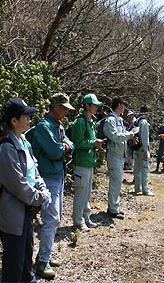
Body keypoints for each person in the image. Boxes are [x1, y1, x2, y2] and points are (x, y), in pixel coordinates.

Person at [0, 98, 51, 283]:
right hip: (12, 213)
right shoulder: (6, 148)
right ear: (14, 121)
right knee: (14, 265)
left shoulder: (24, 142)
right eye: (25, 116)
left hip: (26, 211)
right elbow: (18, 185)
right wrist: (40, 198)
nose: (29, 119)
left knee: (26, 260)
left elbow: (34, 171)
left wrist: (43, 191)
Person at [31, 93, 75, 279]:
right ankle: (42, 261)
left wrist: (66, 146)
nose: (66, 111)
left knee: (55, 218)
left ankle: (45, 255)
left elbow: (68, 144)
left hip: (57, 175)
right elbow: (55, 151)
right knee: (51, 219)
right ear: (55, 106)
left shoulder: (57, 126)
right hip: (47, 177)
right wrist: (66, 147)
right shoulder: (44, 127)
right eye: (64, 107)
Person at [71, 94, 104, 231]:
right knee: (81, 193)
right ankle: (78, 221)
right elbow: (78, 143)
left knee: (88, 193)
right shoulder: (80, 122)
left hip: (89, 162)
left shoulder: (92, 120)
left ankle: (86, 217)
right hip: (82, 163)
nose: (96, 107)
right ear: (87, 106)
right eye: (94, 105)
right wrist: (93, 143)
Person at [103, 96, 134, 219]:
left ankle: (113, 206)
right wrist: (128, 135)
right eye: (123, 105)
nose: (124, 108)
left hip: (119, 155)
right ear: (119, 105)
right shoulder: (110, 120)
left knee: (117, 182)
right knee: (115, 182)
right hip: (114, 155)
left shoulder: (119, 120)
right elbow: (114, 136)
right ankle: (113, 210)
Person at [133, 105, 155, 196]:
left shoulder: (137, 120)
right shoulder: (144, 122)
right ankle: (145, 189)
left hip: (136, 148)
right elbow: (145, 137)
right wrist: (146, 150)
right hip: (142, 149)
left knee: (137, 169)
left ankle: (137, 187)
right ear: (146, 112)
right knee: (145, 169)